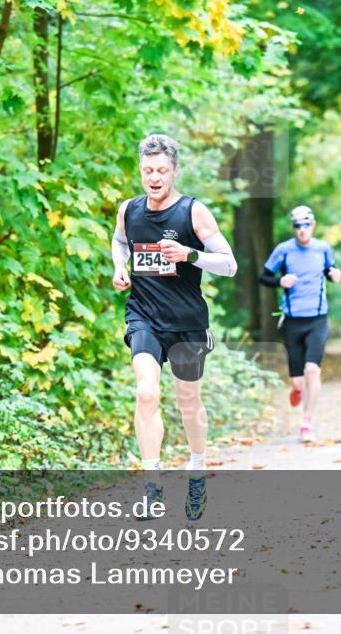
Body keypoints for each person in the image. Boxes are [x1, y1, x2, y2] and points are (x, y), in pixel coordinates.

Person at [110, 134, 237, 521]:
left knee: (188, 402)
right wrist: (119, 266)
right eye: (148, 170)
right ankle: (152, 485)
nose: (154, 178)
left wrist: (190, 254)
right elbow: (119, 242)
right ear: (141, 171)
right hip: (144, 316)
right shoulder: (128, 210)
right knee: (146, 393)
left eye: (162, 170)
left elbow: (229, 264)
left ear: (175, 171)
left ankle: (197, 469)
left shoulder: (193, 212)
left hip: (187, 323)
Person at [259, 206, 341, 443]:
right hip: (293, 321)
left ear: (313, 225)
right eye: (297, 226)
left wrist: (335, 274)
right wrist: (279, 281)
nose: (302, 230)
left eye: (306, 225)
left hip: (317, 318)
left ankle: (306, 422)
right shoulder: (283, 251)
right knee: (298, 380)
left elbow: (329, 270)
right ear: (293, 228)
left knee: (312, 370)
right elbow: (263, 277)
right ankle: (296, 389)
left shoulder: (322, 248)